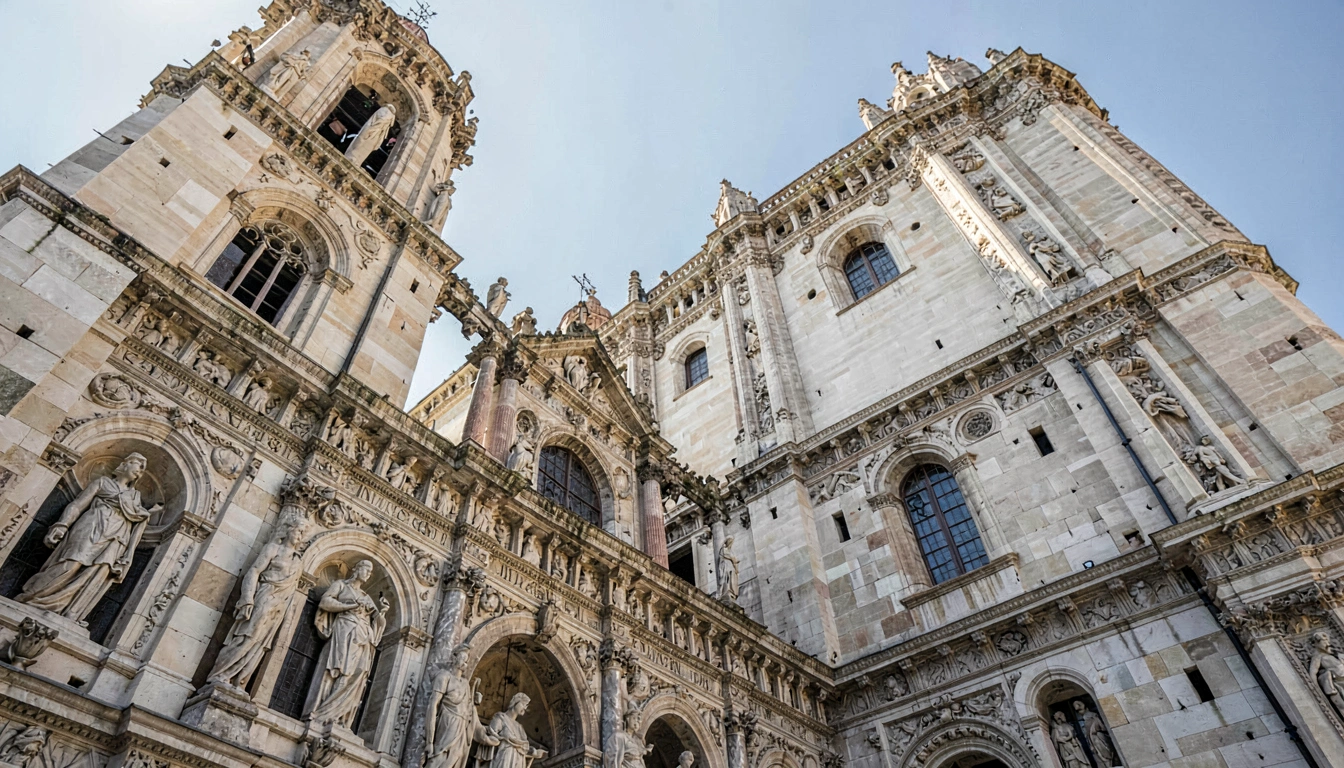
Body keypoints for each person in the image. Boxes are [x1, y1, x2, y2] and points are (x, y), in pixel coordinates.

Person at [19, 453, 161, 623]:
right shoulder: (102, 482)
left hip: (116, 538)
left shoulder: (135, 496)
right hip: (92, 525)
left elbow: (138, 517)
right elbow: (78, 504)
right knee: (71, 564)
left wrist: (146, 517)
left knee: (97, 573)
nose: (139, 473)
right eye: (137, 467)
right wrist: (62, 525)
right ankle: (34, 597)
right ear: (125, 464)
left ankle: (73, 613)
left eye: (141, 472)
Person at [207, 521, 306, 690]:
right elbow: (254, 571)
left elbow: (293, 591)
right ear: (289, 530)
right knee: (248, 634)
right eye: (298, 530)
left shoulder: (298, 560)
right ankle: (219, 673)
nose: (300, 535)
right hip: (265, 595)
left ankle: (239, 680)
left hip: (279, 604)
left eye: (303, 533)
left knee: (259, 643)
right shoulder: (273, 548)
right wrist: (247, 598)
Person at [310, 560, 389, 727]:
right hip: (345, 631)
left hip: (363, 637)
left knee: (357, 673)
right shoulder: (341, 585)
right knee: (340, 670)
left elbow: (377, 620)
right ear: (357, 568)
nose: (368, 574)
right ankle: (323, 714)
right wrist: (351, 606)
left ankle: (340, 718)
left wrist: (382, 612)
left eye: (370, 572)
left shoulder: (366, 597)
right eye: (366, 569)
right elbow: (325, 602)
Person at [425, 645, 480, 768]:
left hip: (461, 728)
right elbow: (433, 705)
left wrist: (474, 703)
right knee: (438, 758)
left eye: (467, 659)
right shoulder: (444, 677)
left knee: (456, 756)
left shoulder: (465, 684)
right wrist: (429, 741)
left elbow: (469, 711)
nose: (465, 661)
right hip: (447, 724)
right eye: (463, 657)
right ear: (454, 658)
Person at [486, 693, 546, 768]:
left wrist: (535, 752)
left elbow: (523, 748)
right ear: (515, 702)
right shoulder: (501, 718)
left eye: (526, 705)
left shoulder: (520, 728)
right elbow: (490, 736)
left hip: (519, 761)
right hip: (504, 759)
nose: (524, 708)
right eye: (523, 704)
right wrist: (503, 739)